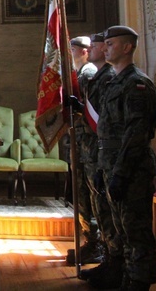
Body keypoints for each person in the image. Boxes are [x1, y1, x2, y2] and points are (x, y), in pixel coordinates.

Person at [90, 26, 156, 290]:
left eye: (111, 44)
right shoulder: (114, 81)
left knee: (136, 233)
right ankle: (124, 276)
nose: (106, 48)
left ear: (127, 47)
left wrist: (119, 173)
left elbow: (135, 135)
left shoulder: (137, 85)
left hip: (132, 171)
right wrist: (101, 169)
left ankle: (139, 282)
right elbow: (106, 129)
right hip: (111, 168)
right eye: (105, 44)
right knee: (121, 230)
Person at [77, 33, 120, 286]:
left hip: (108, 155)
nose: (91, 49)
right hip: (96, 152)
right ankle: (106, 258)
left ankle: (117, 266)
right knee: (97, 204)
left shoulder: (110, 78)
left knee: (107, 209)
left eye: (96, 45)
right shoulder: (102, 76)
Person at [65, 36, 99, 264]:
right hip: (81, 142)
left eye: (72, 49)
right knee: (83, 196)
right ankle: (91, 242)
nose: (69, 53)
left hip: (90, 145)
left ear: (82, 51)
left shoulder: (87, 73)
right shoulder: (80, 73)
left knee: (91, 195)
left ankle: (96, 244)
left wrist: (78, 109)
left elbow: (93, 112)